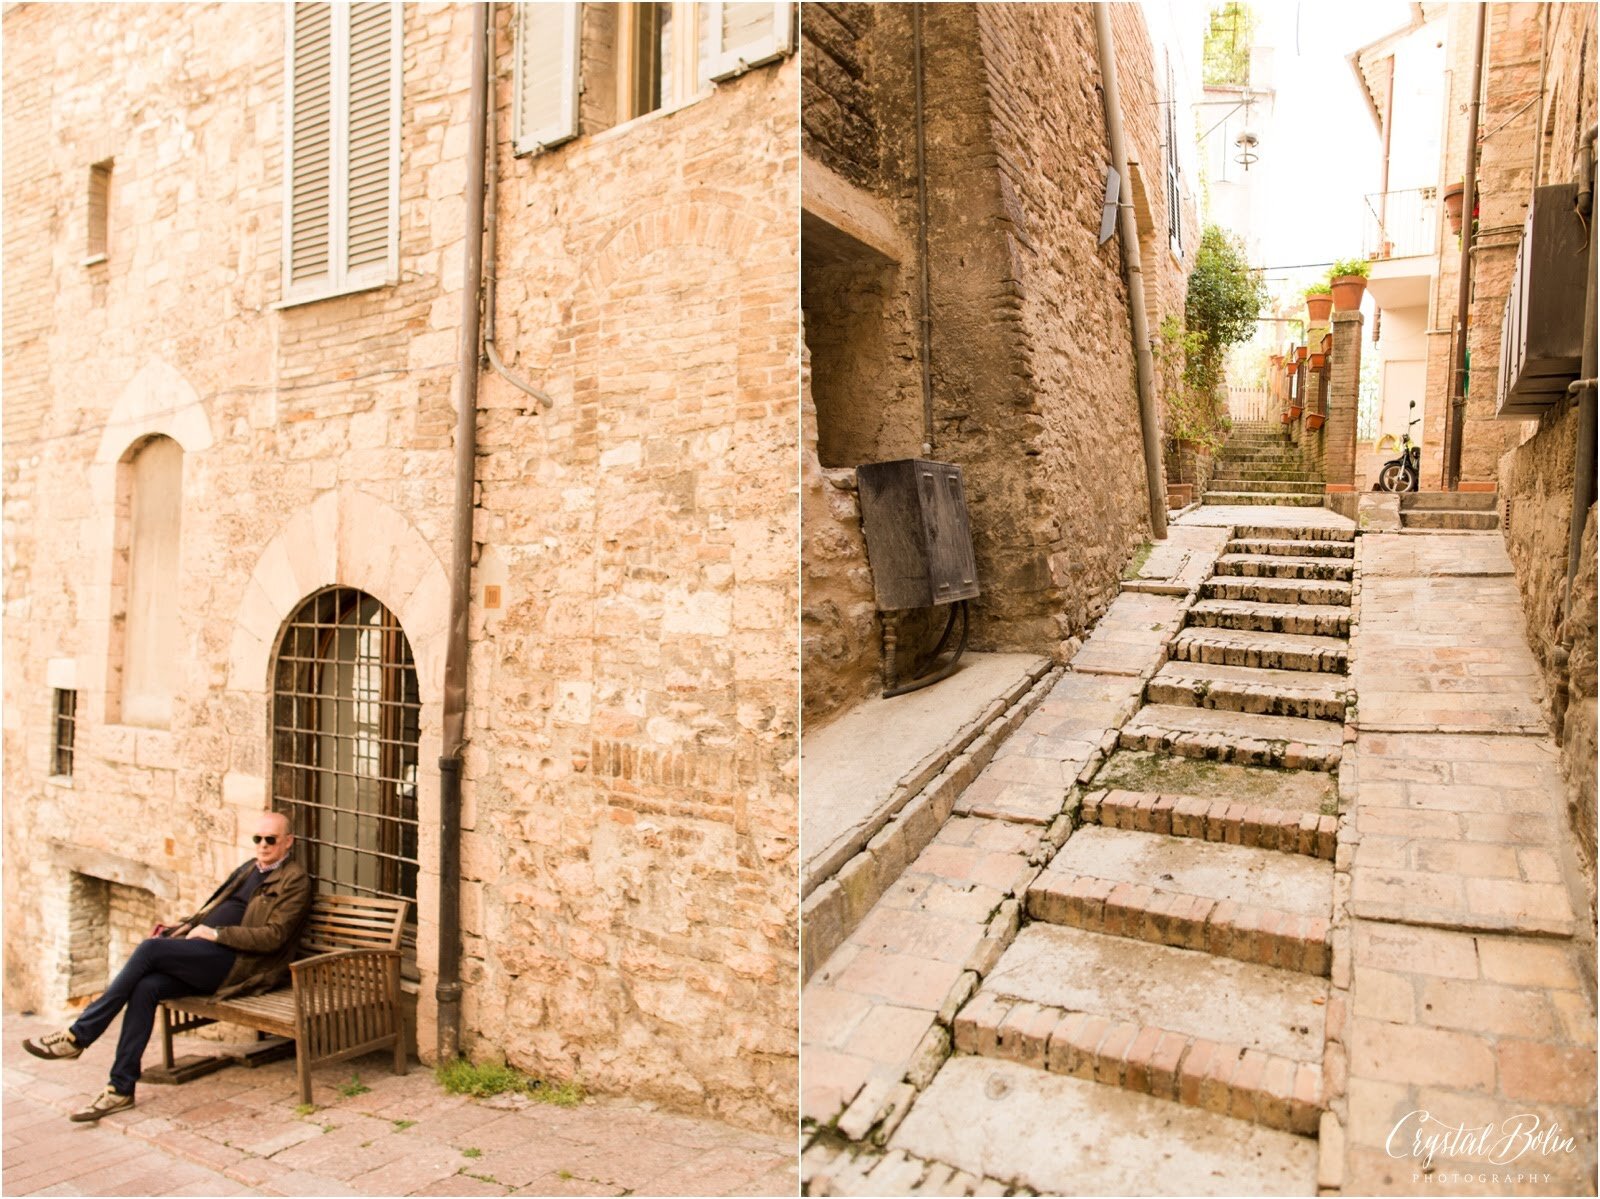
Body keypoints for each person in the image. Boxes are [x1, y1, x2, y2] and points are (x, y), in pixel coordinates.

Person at [23, 810, 312, 1121]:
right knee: (146, 987)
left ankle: (79, 1035)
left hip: (239, 965)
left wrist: (216, 933)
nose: (263, 846)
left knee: (149, 950)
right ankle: (120, 1089)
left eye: (271, 840)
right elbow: (217, 908)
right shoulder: (248, 869)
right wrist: (188, 927)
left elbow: (274, 937)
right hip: (205, 954)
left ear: (288, 842)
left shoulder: (295, 880)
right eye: (258, 839)